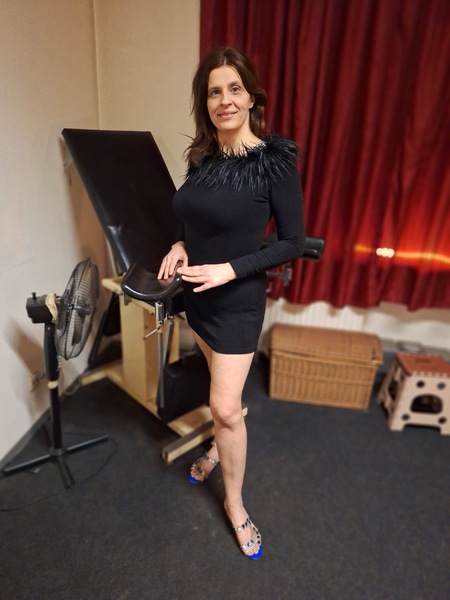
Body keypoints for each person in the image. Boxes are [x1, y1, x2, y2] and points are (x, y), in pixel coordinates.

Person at [157, 47, 305, 560]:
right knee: (223, 389)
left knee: (223, 407)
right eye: (214, 91)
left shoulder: (273, 162)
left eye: (234, 89)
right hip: (198, 298)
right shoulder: (202, 158)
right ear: (206, 102)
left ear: (251, 97)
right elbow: (191, 217)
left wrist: (229, 268)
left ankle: (235, 504)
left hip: (237, 300)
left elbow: (293, 242)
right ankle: (219, 447)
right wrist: (180, 243)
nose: (225, 100)